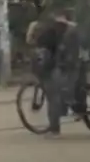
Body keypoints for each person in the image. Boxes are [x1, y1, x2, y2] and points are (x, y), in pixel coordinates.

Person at [34, 9, 80, 137]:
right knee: (66, 91)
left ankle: (54, 128)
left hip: (57, 67)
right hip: (71, 65)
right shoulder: (73, 29)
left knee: (53, 98)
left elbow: (41, 44)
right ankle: (73, 105)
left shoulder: (52, 30)